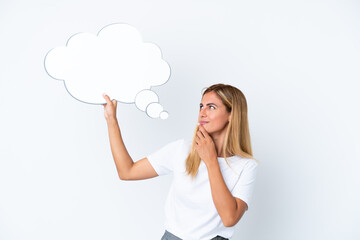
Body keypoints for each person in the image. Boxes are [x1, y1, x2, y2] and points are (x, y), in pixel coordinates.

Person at [102, 83, 258, 240]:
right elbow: (127, 172)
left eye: (211, 107)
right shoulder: (181, 149)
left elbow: (229, 218)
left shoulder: (246, 166)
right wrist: (111, 120)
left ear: (232, 114)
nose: (202, 113)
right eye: (201, 106)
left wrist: (211, 161)